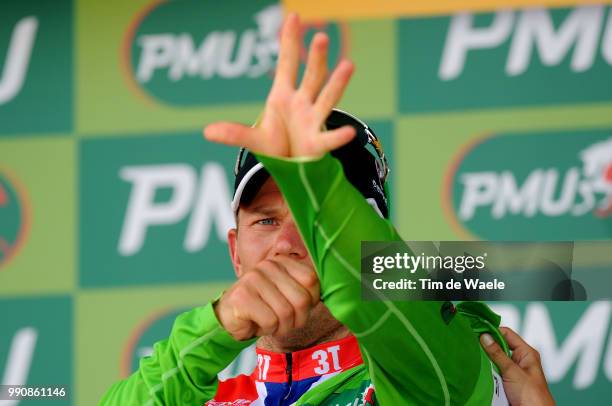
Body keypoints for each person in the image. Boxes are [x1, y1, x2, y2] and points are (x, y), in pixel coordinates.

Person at [101, 13, 552, 405]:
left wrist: (310, 178)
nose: (285, 244)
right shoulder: (211, 397)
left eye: (314, 223)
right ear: (236, 252)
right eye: (266, 220)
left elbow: (383, 300)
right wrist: (215, 327)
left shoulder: (435, 377)